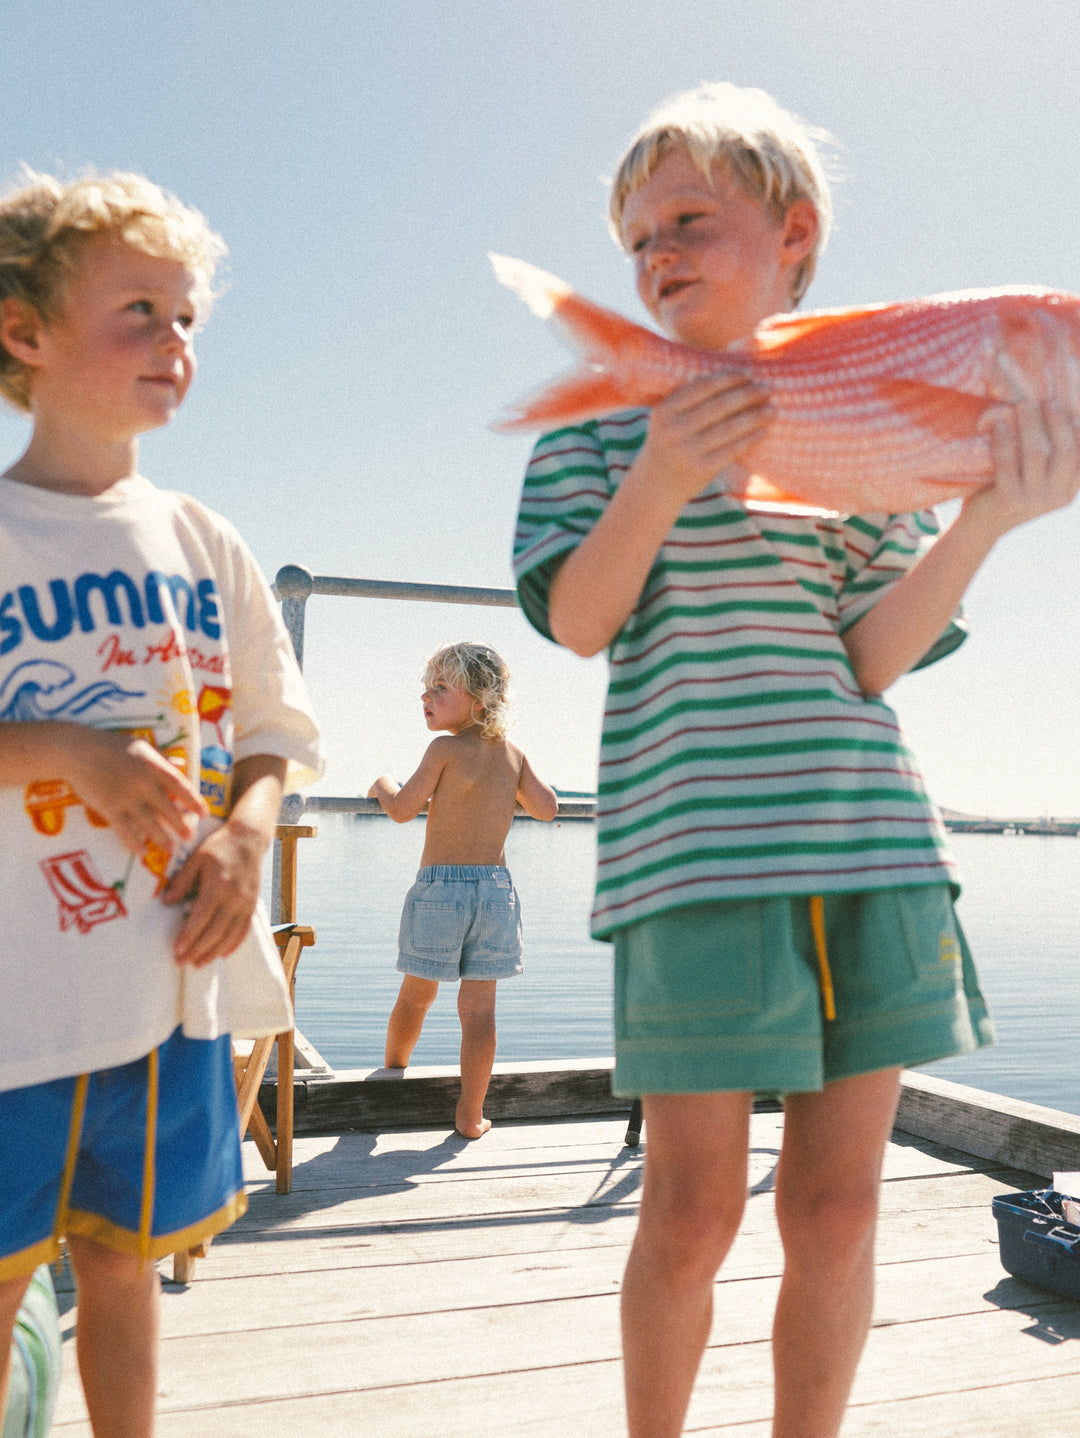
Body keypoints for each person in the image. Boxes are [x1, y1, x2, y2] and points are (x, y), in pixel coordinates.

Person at [511, 82, 1080, 1436]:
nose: (657, 252)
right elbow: (582, 621)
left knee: (836, 1208)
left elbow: (873, 657)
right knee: (694, 1207)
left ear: (795, 235)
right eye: (638, 235)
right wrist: (655, 476)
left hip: (872, 852)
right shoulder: (591, 431)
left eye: (690, 220)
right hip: (691, 868)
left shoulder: (860, 419)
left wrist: (987, 518)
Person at [0, 170, 323, 1437]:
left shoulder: (204, 537)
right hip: (16, 1005)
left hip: (161, 997)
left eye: (187, 319)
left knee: (128, 1263)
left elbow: (273, 729)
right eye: (140, 309)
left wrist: (248, 832)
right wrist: (66, 754)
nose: (174, 343)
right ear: (24, 331)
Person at [369, 642, 558, 1138]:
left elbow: (404, 808)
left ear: (479, 699)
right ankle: (471, 1114)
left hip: (441, 890)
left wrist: (381, 783)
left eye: (440, 688)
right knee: (479, 1010)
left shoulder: (444, 749)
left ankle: (391, 1076)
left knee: (416, 995)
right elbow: (547, 808)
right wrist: (510, 784)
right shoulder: (511, 754)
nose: (425, 696)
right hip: (496, 891)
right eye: (427, 687)